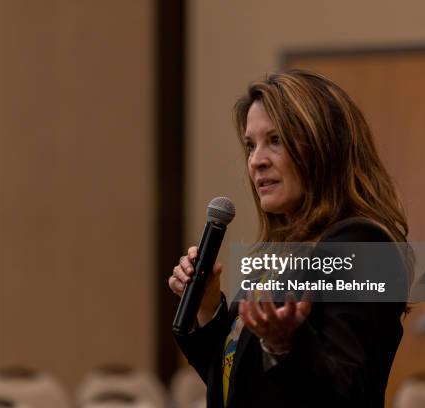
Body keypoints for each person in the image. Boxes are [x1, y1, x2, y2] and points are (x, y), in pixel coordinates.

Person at [168, 69, 409, 407]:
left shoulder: (362, 244)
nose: (256, 161)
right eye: (251, 146)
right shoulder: (280, 253)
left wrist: (285, 346)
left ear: (324, 146)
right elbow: (236, 383)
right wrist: (208, 307)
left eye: (276, 140)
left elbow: (350, 391)